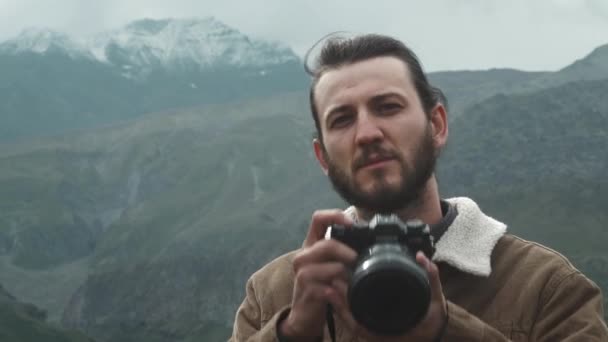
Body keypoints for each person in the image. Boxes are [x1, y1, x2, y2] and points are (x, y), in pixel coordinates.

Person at [229, 33, 608, 341]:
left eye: (388, 107)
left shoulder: (545, 289)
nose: (367, 133)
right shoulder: (274, 292)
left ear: (437, 125)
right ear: (323, 156)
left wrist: (447, 330)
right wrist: (292, 333)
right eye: (342, 119)